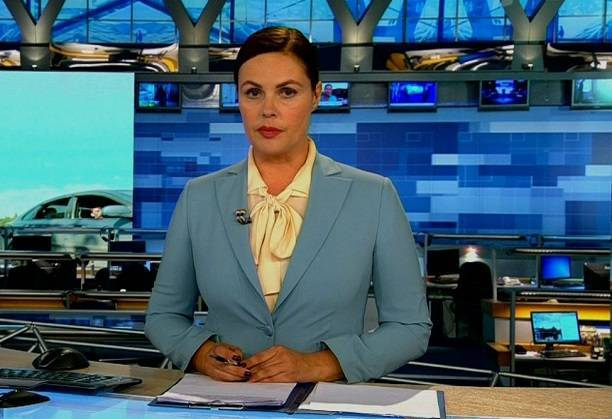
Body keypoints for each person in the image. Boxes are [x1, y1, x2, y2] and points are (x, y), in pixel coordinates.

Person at [145, 26, 431, 384]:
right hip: (223, 401)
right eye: (253, 93)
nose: (268, 110)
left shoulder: (373, 196)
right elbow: (163, 317)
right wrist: (201, 353)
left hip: (327, 404)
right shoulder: (199, 197)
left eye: (287, 92)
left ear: (316, 95)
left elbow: (410, 327)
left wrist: (320, 365)